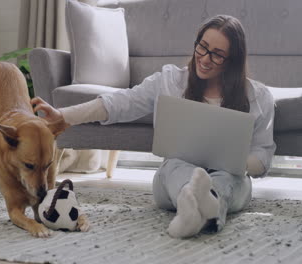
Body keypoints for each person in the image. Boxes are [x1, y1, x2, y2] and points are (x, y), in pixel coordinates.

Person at [31, 15, 276, 238]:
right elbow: (120, 103)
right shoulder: (170, 80)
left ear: (232, 60)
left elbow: (263, 156)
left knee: (227, 177)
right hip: (173, 177)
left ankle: (196, 210)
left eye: (217, 54)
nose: (204, 58)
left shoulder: (258, 96)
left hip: (231, 179)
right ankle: (197, 202)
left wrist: (236, 162)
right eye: (202, 46)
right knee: (176, 164)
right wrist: (63, 116)